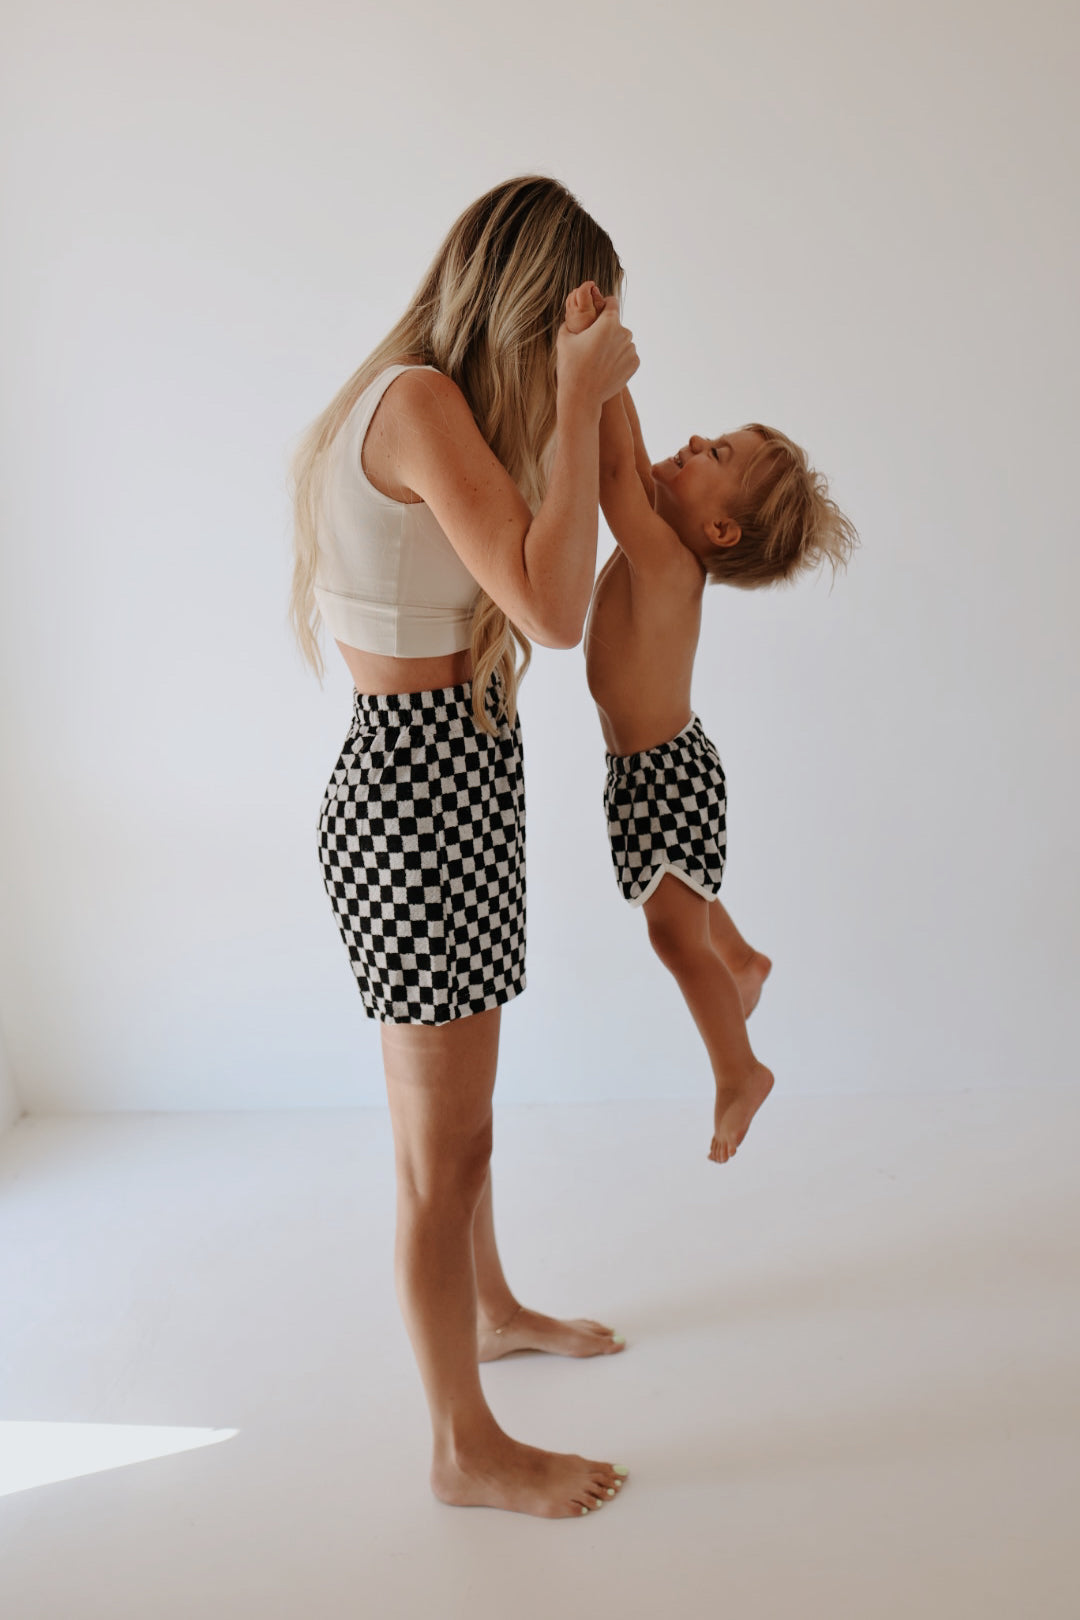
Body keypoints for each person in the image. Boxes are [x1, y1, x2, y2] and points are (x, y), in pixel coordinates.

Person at [290, 180, 638, 1519]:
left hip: (455, 773)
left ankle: (488, 1311)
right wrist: (581, 389)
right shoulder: (422, 403)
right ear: (530, 300)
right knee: (446, 1154)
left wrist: (589, 393)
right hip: (420, 791)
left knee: (464, 1134)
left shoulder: (427, 404)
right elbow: (553, 610)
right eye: (574, 313)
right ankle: (461, 1450)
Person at [568, 286, 857, 1164]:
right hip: (656, 768)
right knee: (685, 894)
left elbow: (619, 474)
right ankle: (744, 960)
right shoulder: (667, 538)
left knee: (669, 931)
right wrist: (604, 362)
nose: (691, 444)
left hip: (665, 774)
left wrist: (602, 357)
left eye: (715, 454)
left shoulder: (662, 557)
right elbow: (634, 463)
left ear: (721, 527)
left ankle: (740, 1070)